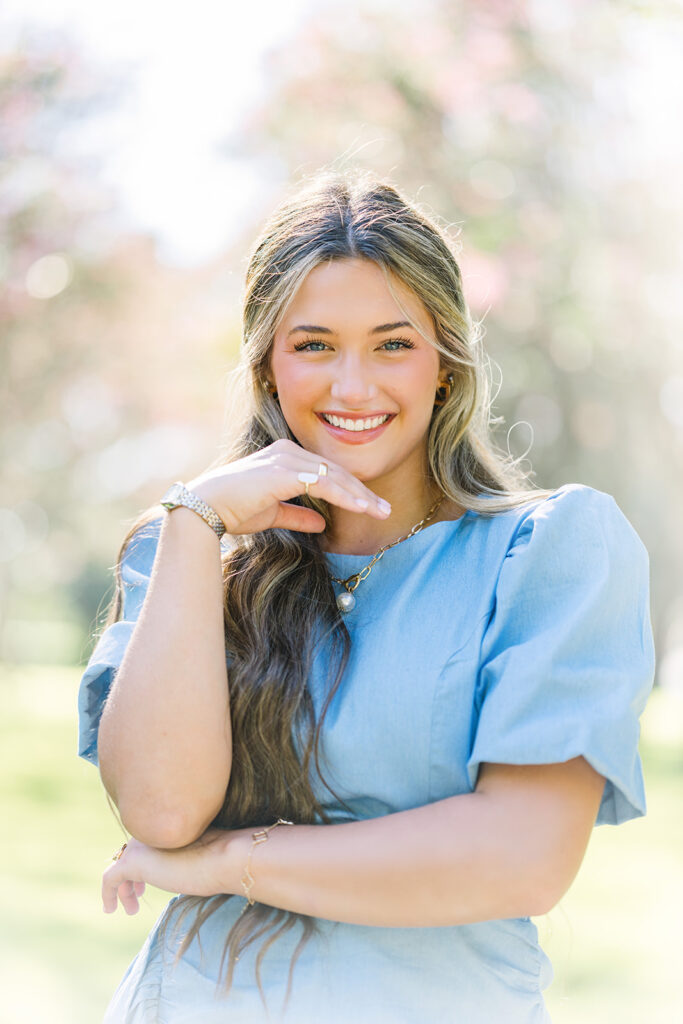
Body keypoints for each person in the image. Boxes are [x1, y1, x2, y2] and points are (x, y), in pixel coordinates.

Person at [77, 167, 656, 1024]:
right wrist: (198, 523)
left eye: (392, 344)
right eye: (313, 345)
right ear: (269, 368)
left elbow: (520, 858)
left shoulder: (547, 553)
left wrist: (226, 862)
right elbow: (161, 811)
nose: (353, 388)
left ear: (446, 368)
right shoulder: (186, 551)